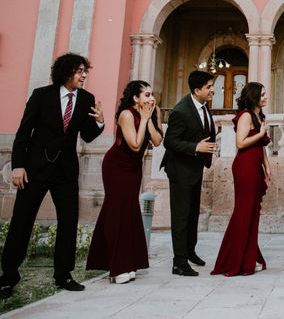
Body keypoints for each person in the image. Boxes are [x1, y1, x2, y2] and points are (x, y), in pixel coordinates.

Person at [0, 53, 104, 299]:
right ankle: (8, 277)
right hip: (35, 169)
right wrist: (18, 166)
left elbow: (88, 136)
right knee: (21, 221)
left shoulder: (87, 98)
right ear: (66, 72)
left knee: (68, 223)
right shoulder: (41, 95)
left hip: (66, 171)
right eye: (80, 71)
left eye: (85, 71)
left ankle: (64, 274)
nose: (84, 75)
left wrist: (99, 122)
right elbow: (23, 133)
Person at [86, 81, 163, 284]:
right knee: (116, 211)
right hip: (117, 167)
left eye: (152, 94)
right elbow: (136, 145)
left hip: (134, 168)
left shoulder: (152, 113)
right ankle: (116, 266)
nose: (151, 98)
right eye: (146, 95)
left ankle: (129, 263)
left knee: (130, 212)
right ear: (135, 98)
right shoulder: (126, 115)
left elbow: (156, 141)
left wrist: (150, 119)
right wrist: (144, 119)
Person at [160, 70, 217, 277]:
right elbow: (170, 142)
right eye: (209, 87)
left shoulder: (203, 106)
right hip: (180, 170)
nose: (213, 90)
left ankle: (190, 251)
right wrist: (196, 147)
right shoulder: (181, 111)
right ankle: (179, 262)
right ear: (197, 90)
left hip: (195, 169)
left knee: (193, 213)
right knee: (181, 216)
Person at [212, 82, 271, 276]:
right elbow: (241, 142)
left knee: (251, 213)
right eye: (262, 94)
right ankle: (235, 260)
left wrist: (267, 166)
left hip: (255, 166)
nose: (265, 97)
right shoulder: (246, 115)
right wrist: (261, 133)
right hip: (245, 167)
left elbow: (261, 146)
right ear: (254, 96)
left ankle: (248, 256)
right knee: (243, 212)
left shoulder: (258, 115)